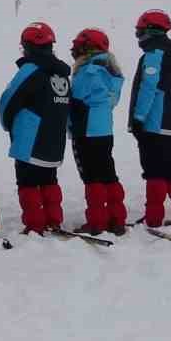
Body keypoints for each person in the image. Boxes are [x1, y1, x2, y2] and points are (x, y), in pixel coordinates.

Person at [0, 23, 72, 234]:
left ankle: (34, 224)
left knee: (28, 182)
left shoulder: (30, 70)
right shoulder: (61, 74)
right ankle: (53, 220)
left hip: (29, 137)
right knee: (49, 180)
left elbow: (9, 100)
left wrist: (7, 125)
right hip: (54, 137)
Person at [130, 9, 171, 228]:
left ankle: (154, 218)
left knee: (154, 171)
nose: (138, 36)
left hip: (153, 122)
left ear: (148, 31)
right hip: (170, 120)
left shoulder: (155, 53)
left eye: (139, 31)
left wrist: (138, 117)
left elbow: (149, 86)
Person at [67, 28, 127, 235]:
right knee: (108, 173)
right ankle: (117, 218)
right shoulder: (111, 71)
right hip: (104, 129)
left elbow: (77, 98)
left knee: (92, 177)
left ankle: (96, 221)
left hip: (86, 128)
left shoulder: (89, 70)